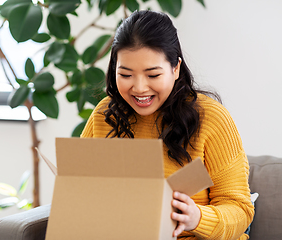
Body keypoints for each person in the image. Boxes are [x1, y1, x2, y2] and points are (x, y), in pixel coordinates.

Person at [80, 10, 254, 240]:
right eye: (126, 74)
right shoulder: (105, 115)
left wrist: (196, 218)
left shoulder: (212, 118)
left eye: (153, 75)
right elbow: (81, 190)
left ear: (175, 68)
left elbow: (240, 209)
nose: (139, 88)